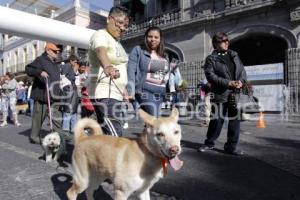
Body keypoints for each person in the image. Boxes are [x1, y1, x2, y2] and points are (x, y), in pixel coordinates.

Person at [198, 32, 247, 156]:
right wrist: (228, 83)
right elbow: (211, 76)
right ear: (215, 44)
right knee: (216, 120)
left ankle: (231, 146)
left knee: (235, 121)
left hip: (235, 94)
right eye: (222, 41)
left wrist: (241, 82)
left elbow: (242, 71)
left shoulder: (234, 55)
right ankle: (209, 143)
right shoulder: (211, 59)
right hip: (220, 93)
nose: (226, 43)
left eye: (227, 40)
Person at [88, 6, 129, 136]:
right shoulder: (100, 35)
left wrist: (124, 90)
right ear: (109, 19)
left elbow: (121, 66)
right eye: (120, 23)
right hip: (105, 91)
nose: (123, 28)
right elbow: (101, 50)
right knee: (115, 134)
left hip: (115, 93)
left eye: (126, 25)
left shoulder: (117, 42)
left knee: (106, 133)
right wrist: (107, 66)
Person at [25, 42, 71, 145]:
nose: (57, 53)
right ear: (48, 50)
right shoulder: (40, 60)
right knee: (38, 119)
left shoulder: (54, 62)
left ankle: (59, 136)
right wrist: (39, 72)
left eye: (58, 51)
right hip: (43, 96)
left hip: (54, 97)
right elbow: (28, 69)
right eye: (55, 51)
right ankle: (34, 137)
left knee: (56, 118)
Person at [127, 26, 170, 117]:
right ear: (146, 37)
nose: (153, 39)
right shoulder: (138, 50)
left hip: (160, 92)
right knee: (155, 119)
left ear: (160, 39)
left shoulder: (164, 54)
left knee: (151, 121)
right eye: (150, 36)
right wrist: (130, 91)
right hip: (145, 91)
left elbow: (162, 74)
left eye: (156, 37)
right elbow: (131, 71)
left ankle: (148, 131)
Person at [60, 55, 80, 134]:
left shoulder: (70, 68)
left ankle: (72, 128)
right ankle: (66, 128)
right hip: (69, 90)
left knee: (73, 110)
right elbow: (62, 77)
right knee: (68, 110)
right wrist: (68, 87)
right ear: (71, 60)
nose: (75, 63)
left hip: (72, 90)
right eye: (75, 62)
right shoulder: (66, 66)